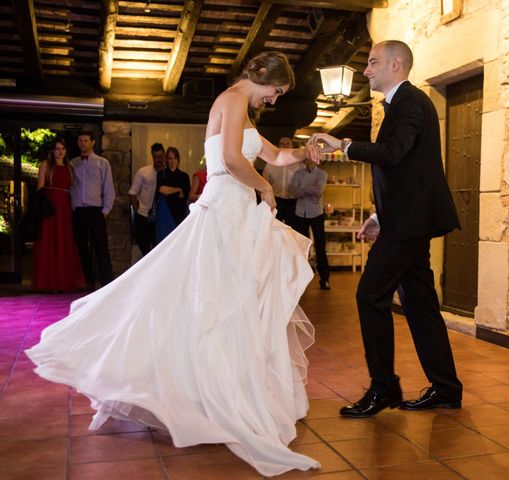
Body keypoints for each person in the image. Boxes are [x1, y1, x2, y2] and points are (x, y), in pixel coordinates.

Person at [26, 51, 322, 477]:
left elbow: (273, 157)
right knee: (212, 305)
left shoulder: (244, 108)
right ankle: (206, 392)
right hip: (226, 212)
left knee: (230, 306)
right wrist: (265, 190)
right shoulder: (235, 99)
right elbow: (237, 160)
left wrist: (308, 152)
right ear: (264, 79)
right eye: (277, 91)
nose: (275, 100)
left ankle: (220, 387)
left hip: (235, 212)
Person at [311, 40, 463, 418]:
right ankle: (445, 389)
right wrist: (380, 215)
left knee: (369, 297)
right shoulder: (401, 104)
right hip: (407, 220)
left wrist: (342, 146)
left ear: (396, 64)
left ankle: (384, 389)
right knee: (421, 305)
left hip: (410, 224)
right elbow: (405, 170)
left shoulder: (410, 102)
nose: (366, 70)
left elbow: (393, 154)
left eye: (372, 62)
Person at [32, 138, 85, 291]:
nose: (60, 151)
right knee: (48, 242)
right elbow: (40, 189)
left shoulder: (69, 167)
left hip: (64, 208)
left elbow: (71, 189)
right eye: (57, 148)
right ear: (52, 151)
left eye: (62, 148)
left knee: (63, 241)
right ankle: (48, 282)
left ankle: (62, 282)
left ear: (66, 151)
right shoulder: (46, 165)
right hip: (49, 208)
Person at [69, 130, 115, 291]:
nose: (83, 143)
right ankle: (89, 280)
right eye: (80, 141)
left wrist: (105, 211)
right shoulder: (72, 164)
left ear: (92, 142)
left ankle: (107, 282)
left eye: (86, 140)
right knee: (81, 247)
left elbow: (109, 188)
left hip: (96, 211)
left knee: (101, 246)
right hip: (78, 211)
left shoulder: (102, 163)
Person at [291, 157, 330, 290]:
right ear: (304, 161)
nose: (310, 162)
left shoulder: (322, 174)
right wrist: (309, 189)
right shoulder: (298, 174)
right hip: (300, 213)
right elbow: (294, 192)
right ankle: (301, 279)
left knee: (320, 246)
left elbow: (318, 191)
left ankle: (324, 279)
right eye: (308, 159)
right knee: (301, 246)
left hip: (316, 213)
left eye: (313, 159)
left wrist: (302, 187)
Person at [129, 142, 165, 256]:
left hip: (162, 218)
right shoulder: (143, 172)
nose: (158, 159)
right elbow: (132, 192)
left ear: (164, 156)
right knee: (144, 248)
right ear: (152, 156)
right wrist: (137, 211)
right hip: (144, 216)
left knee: (159, 248)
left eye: (160, 156)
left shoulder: (168, 174)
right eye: (155, 157)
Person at [262, 136, 301, 226]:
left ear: (292, 146)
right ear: (278, 146)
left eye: (288, 143)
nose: (285, 146)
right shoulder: (270, 164)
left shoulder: (299, 165)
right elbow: (265, 182)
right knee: (275, 227)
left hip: (293, 202)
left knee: (292, 229)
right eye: (282, 144)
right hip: (276, 200)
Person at [154, 146, 190, 243]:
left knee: (179, 243)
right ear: (166, 159)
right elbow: (162, 189)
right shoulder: (161, 174)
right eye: (170, 158)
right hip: (165, 214)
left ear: (178, 159)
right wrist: (178, 189)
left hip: (180, 215)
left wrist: (170, 191)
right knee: (164, 243)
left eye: (174, 158)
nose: (172, 161)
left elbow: (184, 194)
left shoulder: (184, 176)